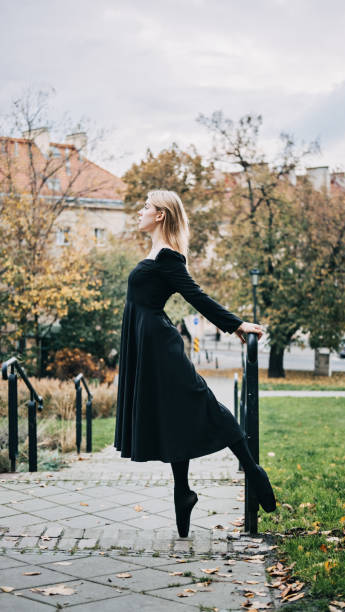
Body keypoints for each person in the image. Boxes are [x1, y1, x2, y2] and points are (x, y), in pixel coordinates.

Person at [114, 189, 276, 538]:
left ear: (161, 215)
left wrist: (235, 325)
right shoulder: (156, 253)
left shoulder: (169, 258)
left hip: (160, 347)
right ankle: (182, 494)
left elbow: (197, 296)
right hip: (146, 346)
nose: (140, 212)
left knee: (206, 404)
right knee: (174, 417)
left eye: (146, 207)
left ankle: (254, 471)